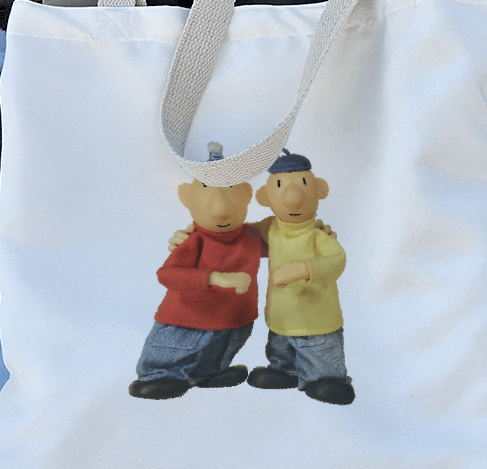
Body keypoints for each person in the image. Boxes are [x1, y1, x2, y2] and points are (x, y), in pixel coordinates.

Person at [128, 143, 264, 400]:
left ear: (246, 194)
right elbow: (168, 275)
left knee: (220, 348)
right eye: (206, 189)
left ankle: (209, 373)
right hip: (191, 318)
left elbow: (285, 241)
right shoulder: (194, 241)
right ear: (187, 196)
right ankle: (159, 376)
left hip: (235, 318)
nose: (220, 207)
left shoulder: (251, 235)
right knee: (179, 348)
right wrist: (214, 278)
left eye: (230, 188)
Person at [247, 149, 354, 406]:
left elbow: (337, 260)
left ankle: (329, 380)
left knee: (321, 358)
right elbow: (240, 237)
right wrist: (198, 235)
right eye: (280, 187)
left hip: (316, 323)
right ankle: (285, 371)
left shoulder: (318, 236)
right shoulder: (270, 227)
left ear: (320, 190)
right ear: (265, 197)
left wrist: (304, 268)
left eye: (303, 184)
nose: (293, 198)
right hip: (280, 320)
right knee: (280, 350)